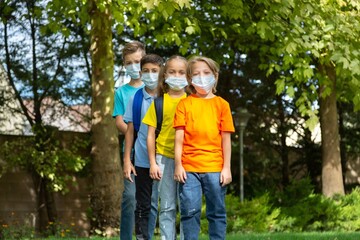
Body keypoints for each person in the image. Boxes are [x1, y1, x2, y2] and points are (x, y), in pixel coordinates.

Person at [173, 56, 235, 240]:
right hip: (189, 169)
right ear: (190, 79)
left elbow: (226, 139)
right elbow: (179, 139)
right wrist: (178, 165)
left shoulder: (222, 105)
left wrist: (226, 168)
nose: (202, 77)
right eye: (196, 74)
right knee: (189, 212)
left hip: (215, 168)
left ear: (215, 75)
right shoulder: (184, 104)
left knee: (216, 212)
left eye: (206, 73)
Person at [112, 41, 157, 240]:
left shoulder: (158, 91)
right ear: (124, 64)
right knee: (130, 197)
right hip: (132, 152)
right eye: (129, 62)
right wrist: (140, 135)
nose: (134, 66)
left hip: (155, 152)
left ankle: (146, 236)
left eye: (138, 61)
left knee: (153, 199)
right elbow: (120, 122)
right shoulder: (122, 92)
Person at [143, 55, 188, 240]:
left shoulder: (192, 101)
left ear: (188, 76)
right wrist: (153, 163)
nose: (177, 75)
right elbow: (150, 135)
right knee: (167, 206)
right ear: (165, 75)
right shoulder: (158, 102)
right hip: (163, 158)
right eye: (172, 72)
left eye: (181, 72)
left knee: (187, 206)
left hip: (188, 160)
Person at [123, 54, 164, 240]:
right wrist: (126, 160)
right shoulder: (135, 98)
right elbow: (130, 130)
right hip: (141, 159)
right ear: (140, 73)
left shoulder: (168, 97)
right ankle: (143, 237)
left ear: (161, 72)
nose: (150, 74)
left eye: (154, 71)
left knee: (164, 203)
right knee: (143, 204)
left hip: (165, 158)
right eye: (146, 71)